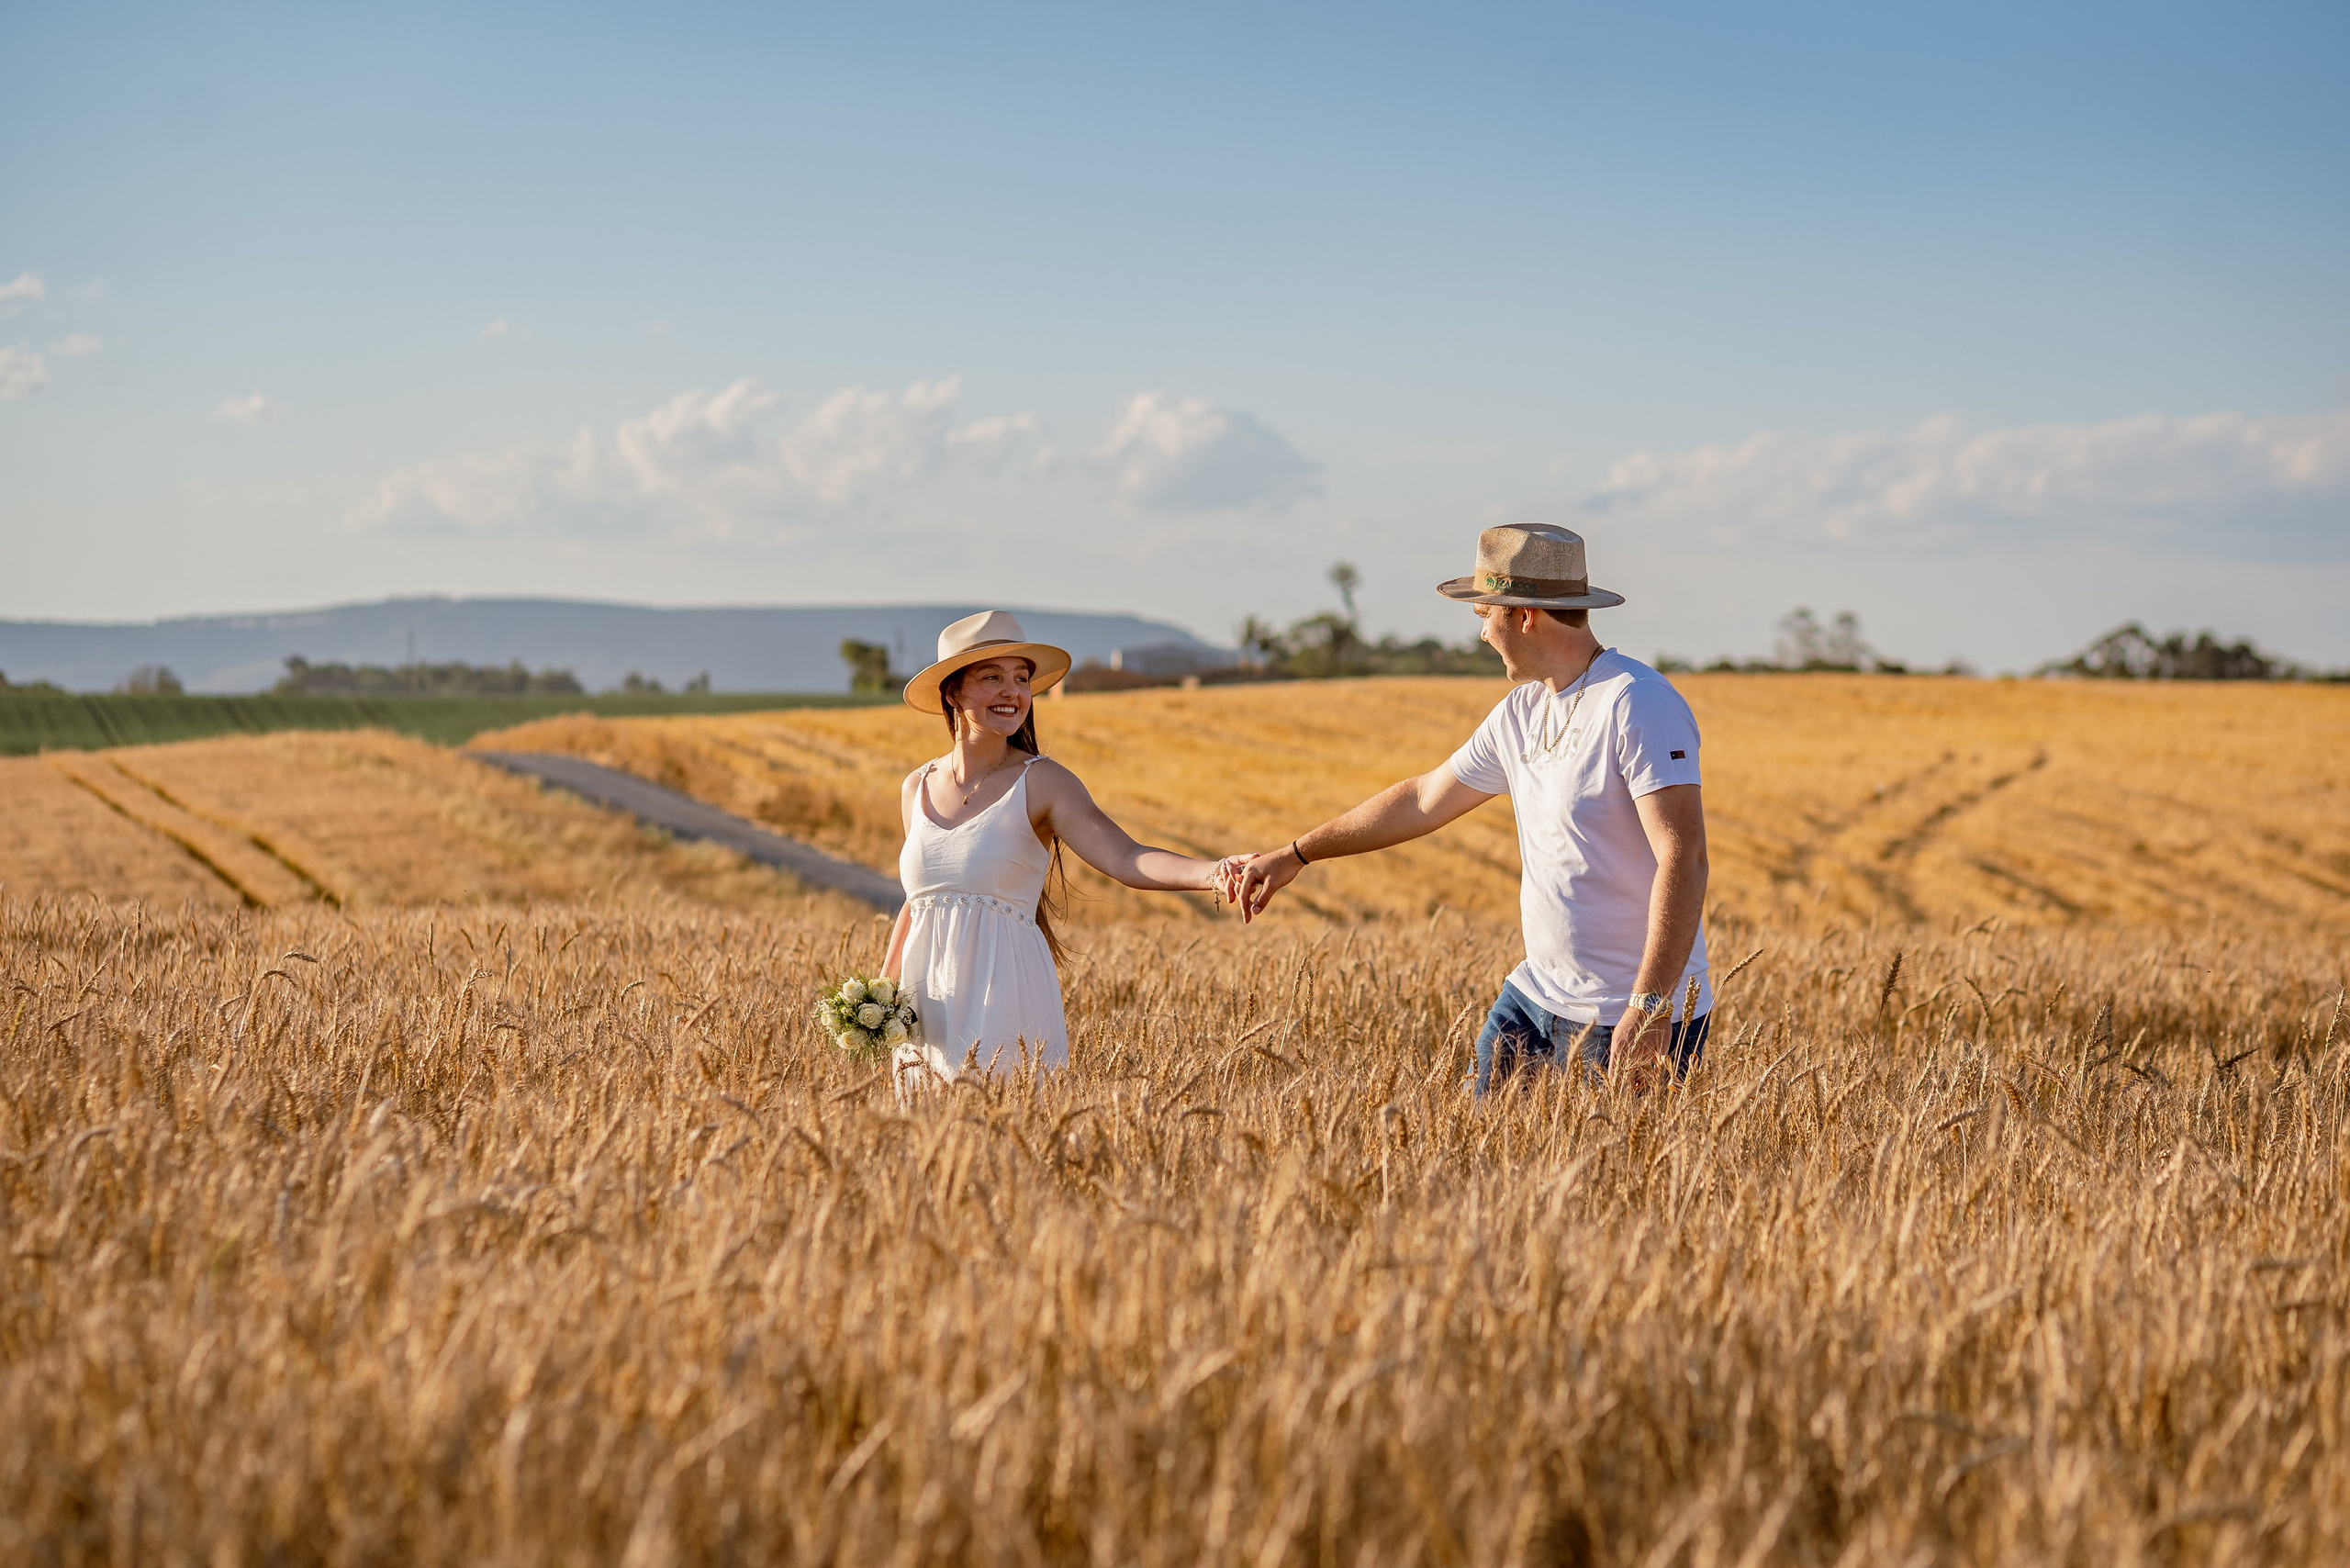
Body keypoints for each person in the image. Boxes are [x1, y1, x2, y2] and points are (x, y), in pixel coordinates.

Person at [1229, 523, 1712, 1093]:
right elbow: (1421, 800)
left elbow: (1684, 856)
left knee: (1603, 1181)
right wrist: (1296, 854)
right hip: (1534, 1001)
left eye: (1486, 615)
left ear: (1524, 615)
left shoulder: (1636, 702)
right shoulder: (1521, 712)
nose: (1483, 635)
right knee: (1474, 1157)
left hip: (1627, 1017)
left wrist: (1650, 1009)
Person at [880, 610, 1237, 1092]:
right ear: (952, 692)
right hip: (924, 1006)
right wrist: (879, 995)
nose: (1013, 692)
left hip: (1001, 997)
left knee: (1002, 1137)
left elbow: (1125, 856)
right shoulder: (915, 786)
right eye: (992, 678)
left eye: (1021, 679)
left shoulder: (1043, 782)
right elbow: (918, 900)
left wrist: (1213, 872)